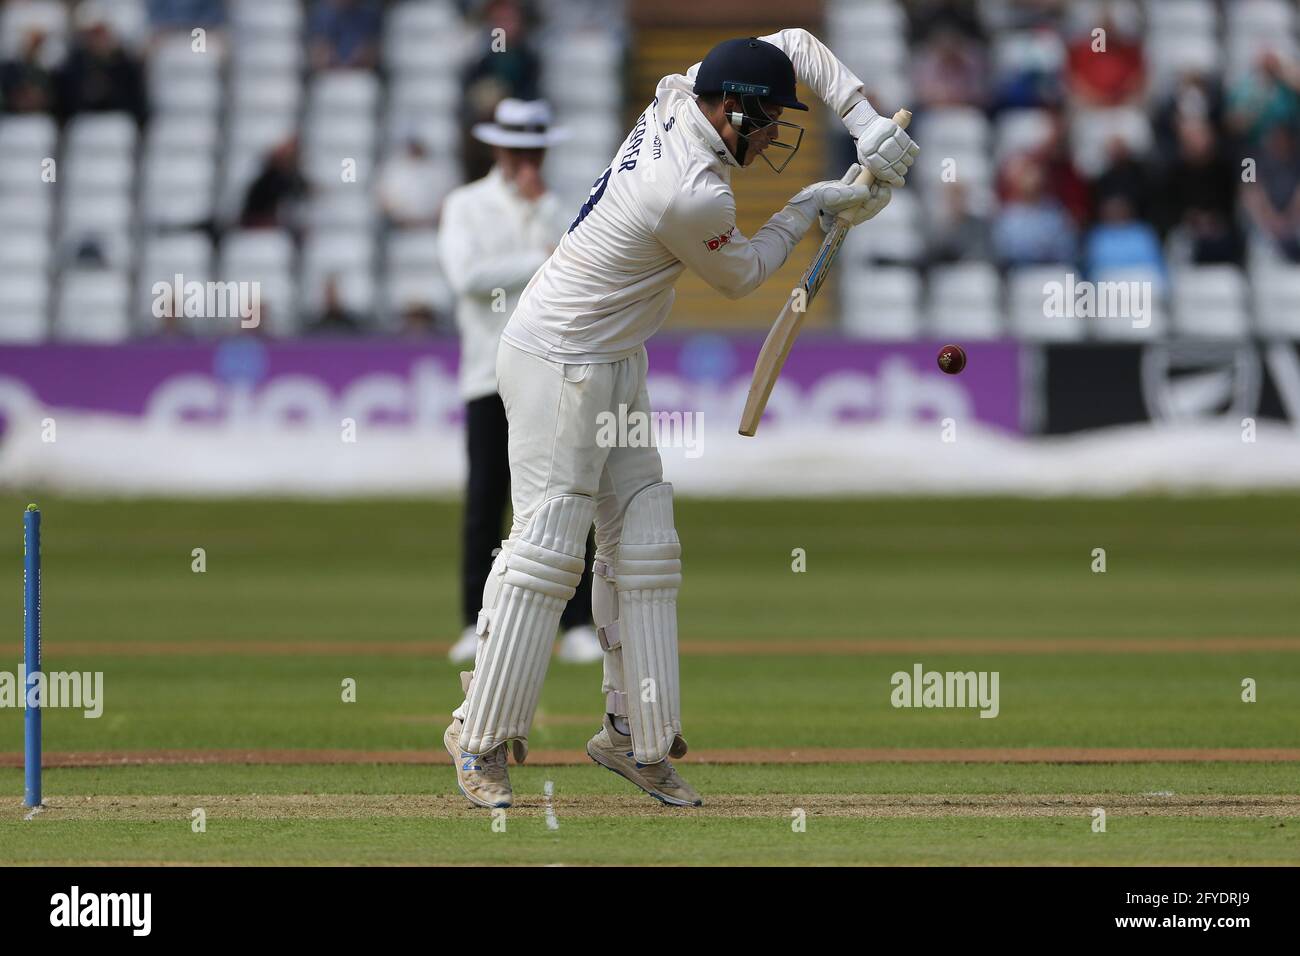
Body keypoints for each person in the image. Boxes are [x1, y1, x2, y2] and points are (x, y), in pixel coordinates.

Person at [443, 32, 916, 809]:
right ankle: (479, 736)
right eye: (766, 124)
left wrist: (864, 124)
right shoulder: (687, 190)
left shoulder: (684, 89)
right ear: (731, 110)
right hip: (557, 358)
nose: (772, 139)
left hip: (614, 356)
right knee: (548, 548)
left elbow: (793, 41)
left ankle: (632, 736)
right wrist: (812, 203)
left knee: (647, 539)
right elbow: (745, 276)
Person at [437, 98, 604, 668]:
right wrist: (539, 255)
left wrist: (544, 224)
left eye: (536, 150)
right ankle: (474, 621)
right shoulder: (466, 205)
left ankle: (576, 622)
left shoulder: (559, 207)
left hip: (552, 369)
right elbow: (468, 278)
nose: (529, 160)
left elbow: (580, 272)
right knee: (487, 499)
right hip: (488, 371)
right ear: (498, 149)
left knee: (565, 494)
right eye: (519, 150)